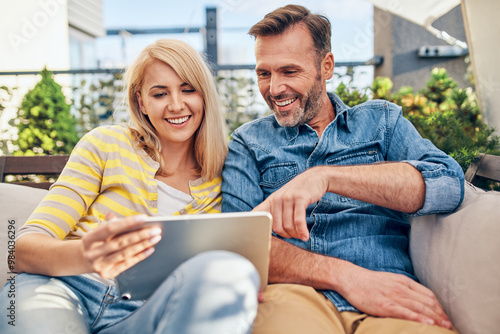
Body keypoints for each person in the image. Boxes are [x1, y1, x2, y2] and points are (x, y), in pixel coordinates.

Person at [221, 5, 464, 334]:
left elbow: (446, 183)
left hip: (388, 296)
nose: (274, 89)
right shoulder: (248, 141)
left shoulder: (381, 121)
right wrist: (346, 276)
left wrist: (324, 177)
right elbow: (237, 243)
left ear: (327, 66)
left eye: (289, 71)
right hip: (294, 297)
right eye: (264, 73)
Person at [0, 39, 260, 334]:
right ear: (141, 103)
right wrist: (86, 256)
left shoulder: (228, 172)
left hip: (146, 312)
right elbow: (19, 249)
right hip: (60, 287)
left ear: (205, 96)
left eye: (188, 89)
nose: (176, 105)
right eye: (160, 93)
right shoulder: (106, 144)